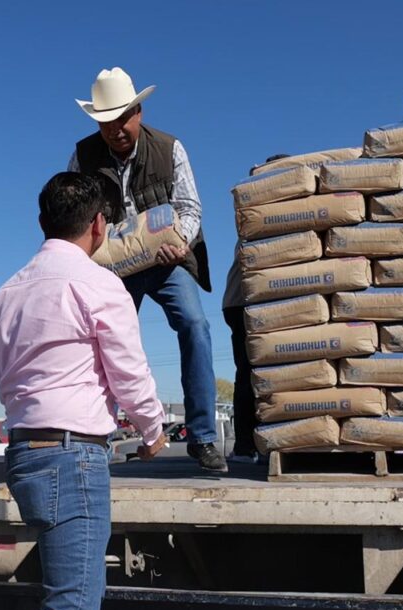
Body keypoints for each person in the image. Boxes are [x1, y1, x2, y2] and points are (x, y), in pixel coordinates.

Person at [0, 172, 169, 610]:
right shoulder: (98, 285)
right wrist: (153, 432)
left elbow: (9, 382)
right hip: (73, 460)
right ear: (99, 225)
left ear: (42, 224)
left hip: (25, 454)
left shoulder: (3, 297)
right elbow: (128, 372)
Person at [69, 66, 226, 472]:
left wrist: (179, 243)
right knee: (96, 341)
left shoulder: (170, 148)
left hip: (165, 260)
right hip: (113, 269)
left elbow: (190, 208)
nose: (116, 129)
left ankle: (203, 438)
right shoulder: (82, 156)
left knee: (195, 325)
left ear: (138, 111)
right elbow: (75, 215)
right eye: (107, 121)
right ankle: (96, 438)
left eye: (123, 117)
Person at [221, 154, 293, 463]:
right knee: (249, 372)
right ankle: (245, 445)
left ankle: (274, 439)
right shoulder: (262, 212)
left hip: (257, 301)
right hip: (243, 303)